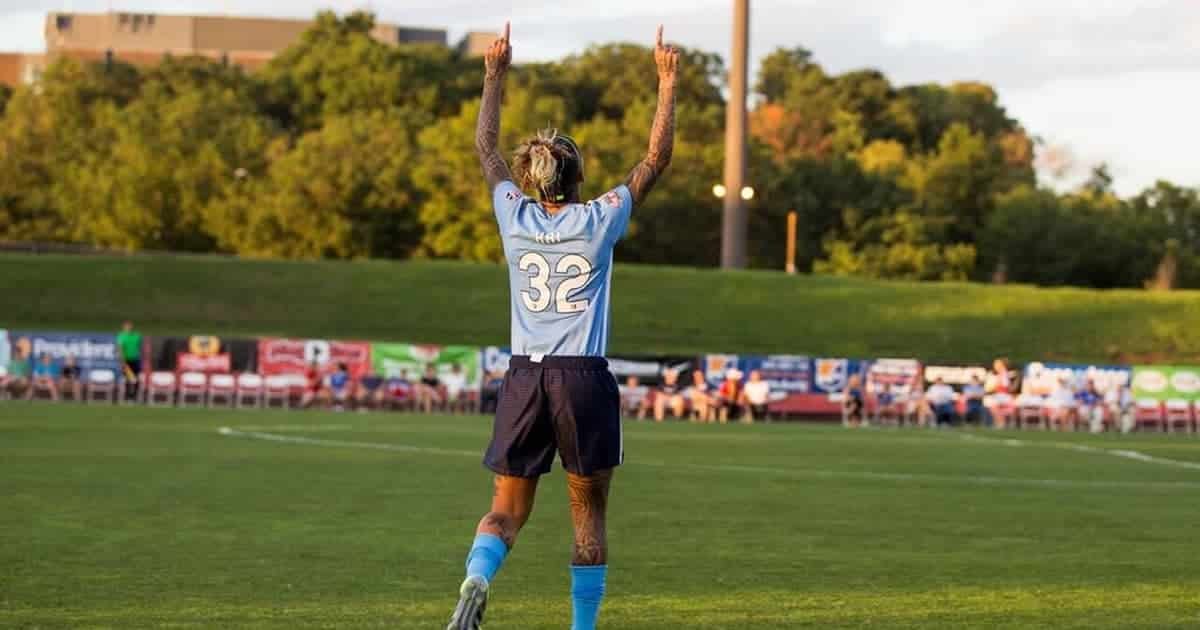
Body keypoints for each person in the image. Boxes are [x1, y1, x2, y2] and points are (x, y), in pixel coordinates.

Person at [446, 22, 677, 630]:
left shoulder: (513, 213)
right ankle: (580, 628)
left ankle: (478, 574)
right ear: (577, 180)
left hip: (525, 376)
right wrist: (667, 80)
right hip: (582, 379)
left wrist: (494, 72)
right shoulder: (601, 218)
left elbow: (487, 149)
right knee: (588, 516)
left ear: (534, 178)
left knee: (504, 509)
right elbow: (655, 160)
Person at [984, 358, 1016, 428]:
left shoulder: (1008, 375)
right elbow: (988, 389)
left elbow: (1010, 388)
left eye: (999, 365)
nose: (997, 366)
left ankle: (1008, 422)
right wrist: (997, 384)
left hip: (1005, 396)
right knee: (991, 403)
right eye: (996, 364)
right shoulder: (991, 375)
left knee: (1012, 404)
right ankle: (1000, 422)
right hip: (994, 395)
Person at [116, 321, 143, 401]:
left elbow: (139, 346)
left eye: (130, 326)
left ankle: (135, 395)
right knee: (128, 378)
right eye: (127, 326)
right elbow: (120, 348)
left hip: (135, 360)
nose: (129, 328)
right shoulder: (121, 336)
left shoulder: (137, 335)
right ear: (124, 327)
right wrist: (122, 360)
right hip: (126, 360)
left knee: (136, 378)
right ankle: (128, 396)